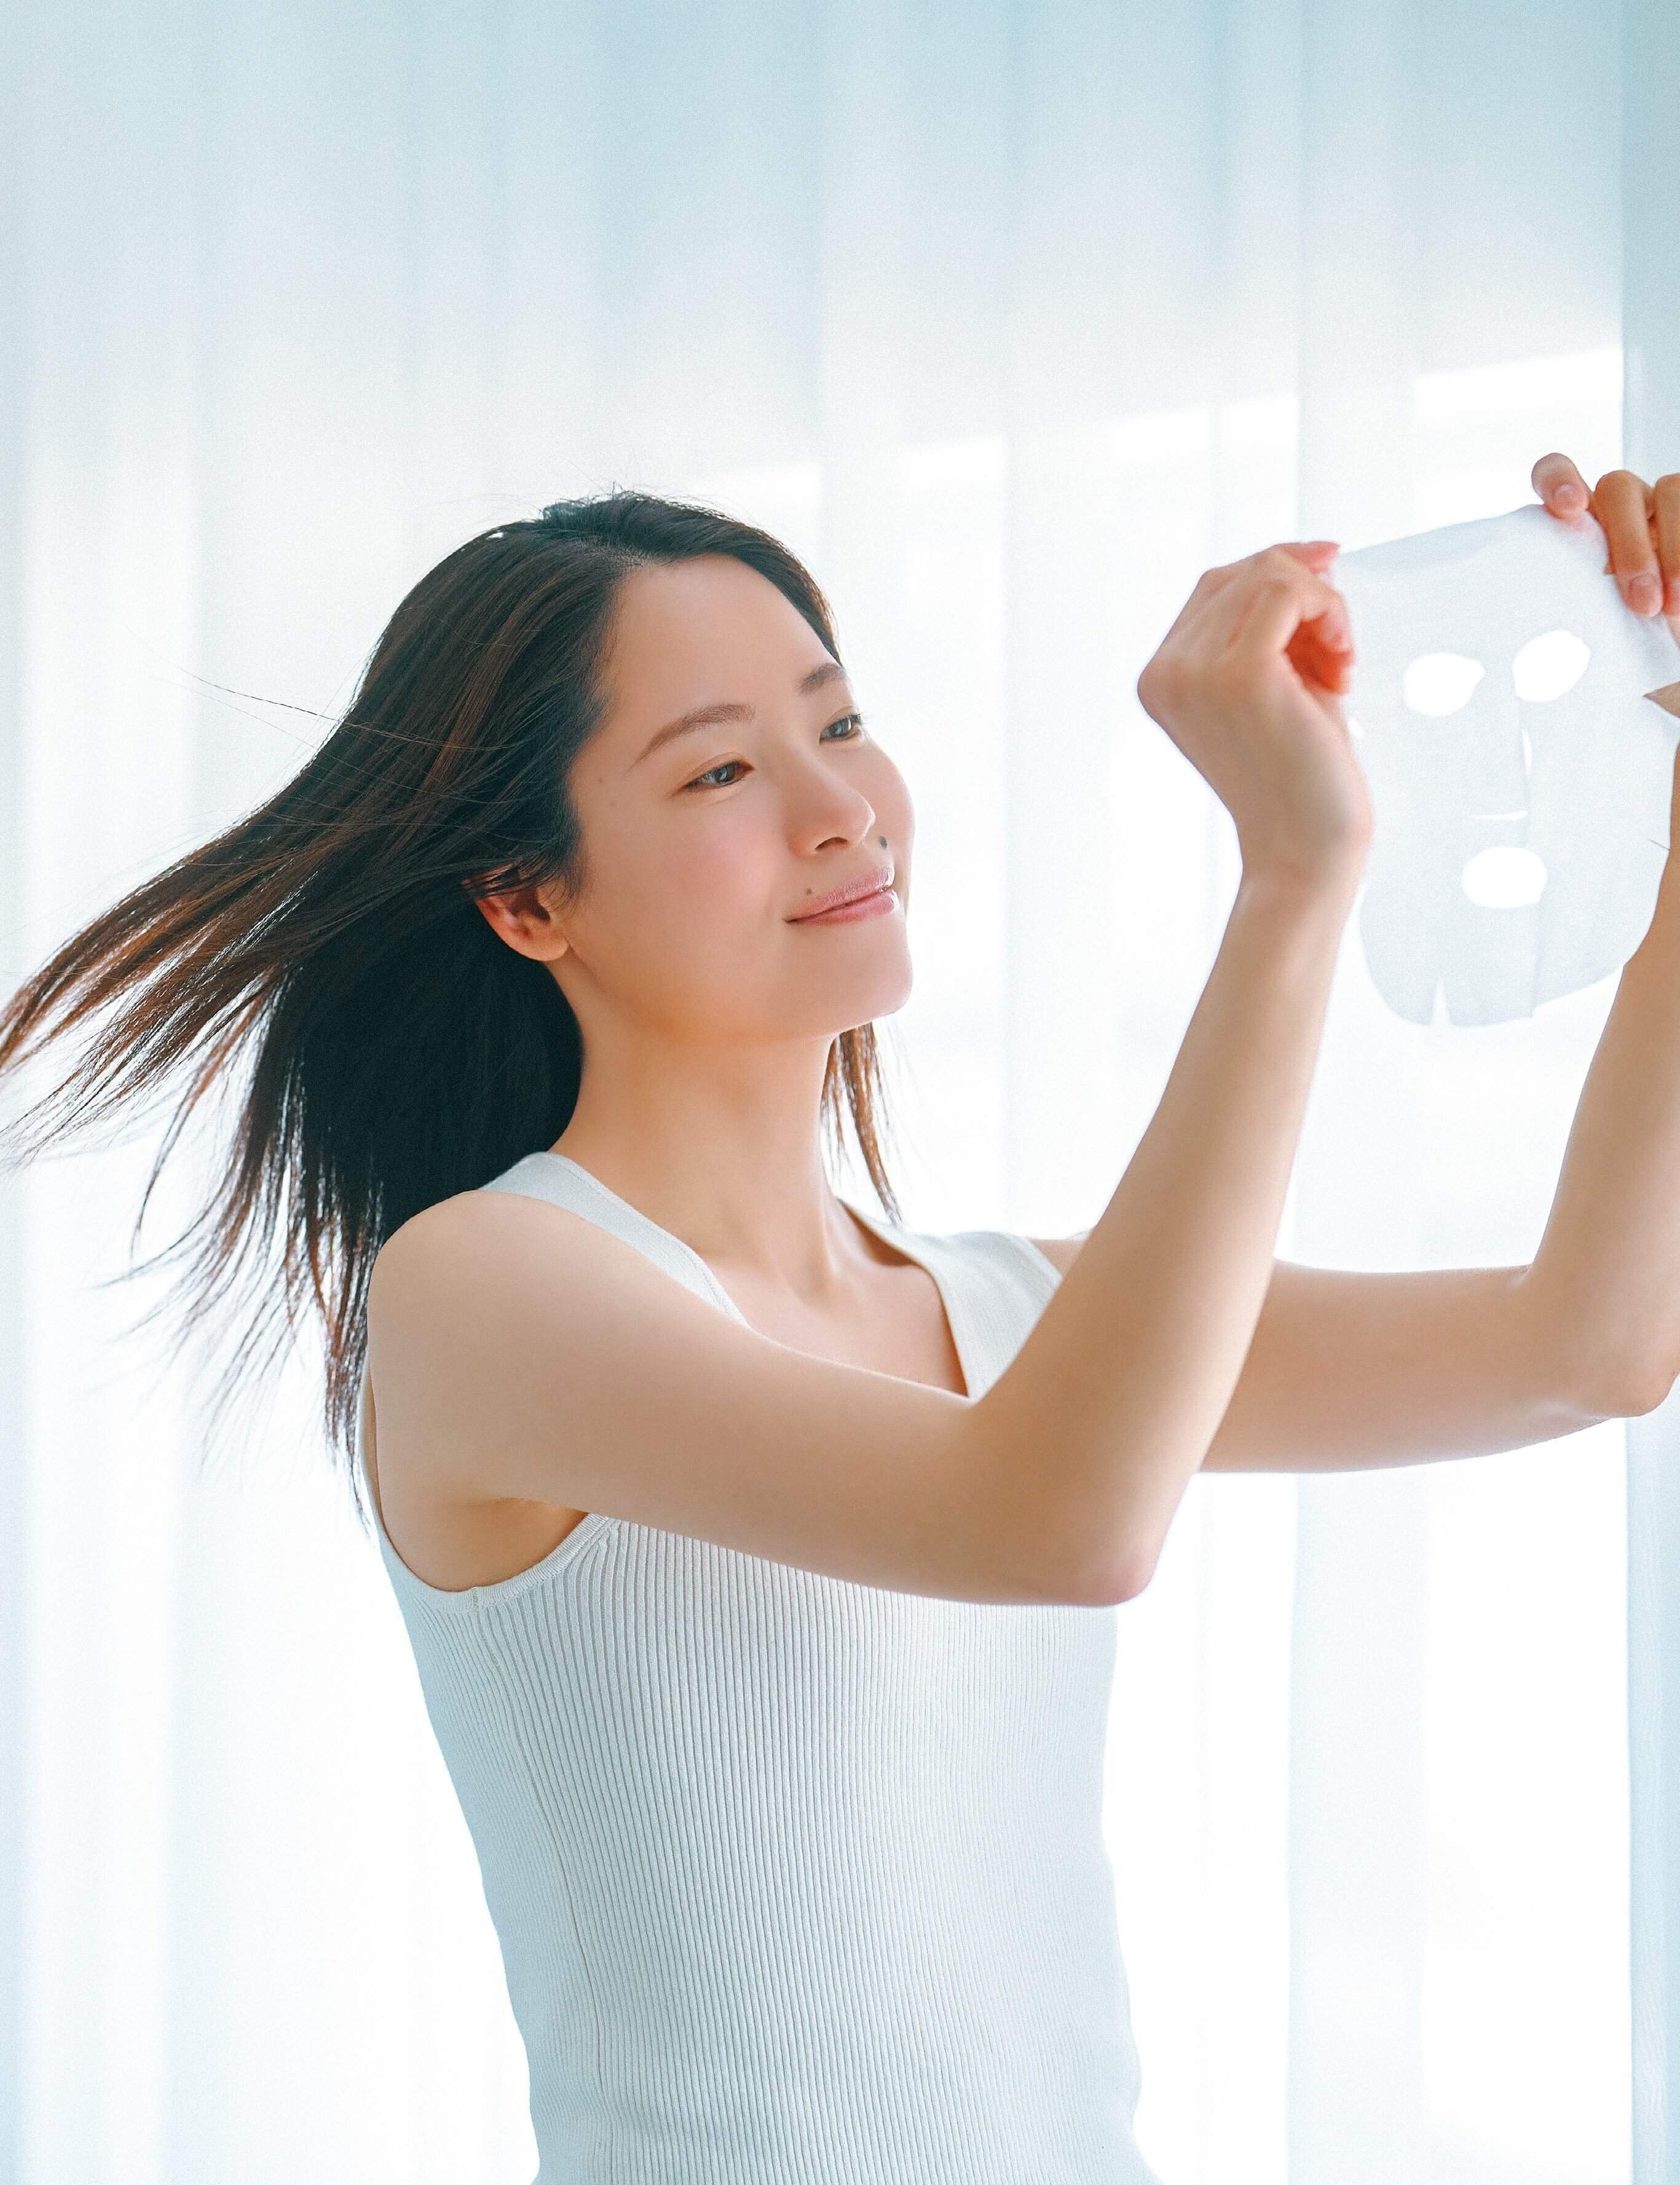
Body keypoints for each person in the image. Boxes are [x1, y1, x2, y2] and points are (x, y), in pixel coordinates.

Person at [2, 452, 1678, 2182]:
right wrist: (1294, 880)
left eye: (842, 723)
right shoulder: (484, 1285)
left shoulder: (1020, 1318)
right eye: (722, 768)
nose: (842, 810)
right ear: (527, 897)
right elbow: (1062, 1518)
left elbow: (1591, 1346)